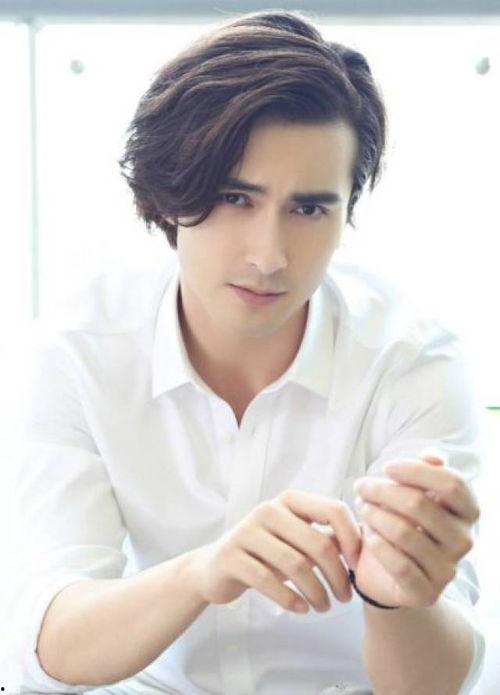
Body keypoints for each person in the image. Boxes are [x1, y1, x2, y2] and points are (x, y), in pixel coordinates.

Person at [7, 9, 485, 695]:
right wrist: (203, 572)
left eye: (309, 209)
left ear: (347, 209)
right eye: (236, 198)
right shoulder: (76, 353)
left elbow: (436, 685)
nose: (270, 256)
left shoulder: (413, 363)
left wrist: (395, 598)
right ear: (169, 194)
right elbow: (45, 645)